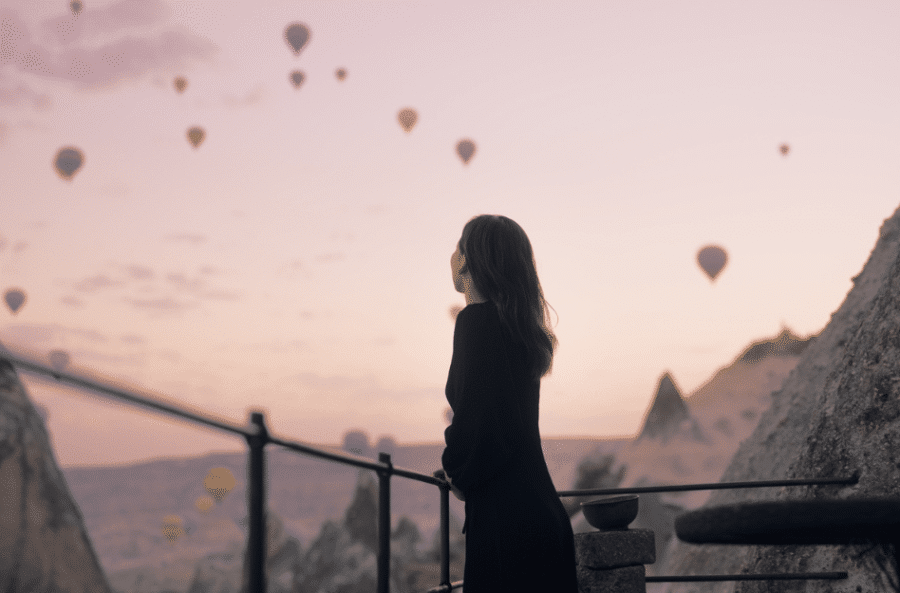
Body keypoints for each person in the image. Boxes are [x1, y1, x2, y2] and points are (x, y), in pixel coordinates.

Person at [434, 215, 579, 592]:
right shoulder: (517, 329)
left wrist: (456, 472)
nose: (451, 256)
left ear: (468, 261)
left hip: (506, 527)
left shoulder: (477, 323)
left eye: (457, 247)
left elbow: (478, 423)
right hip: (541, 517)